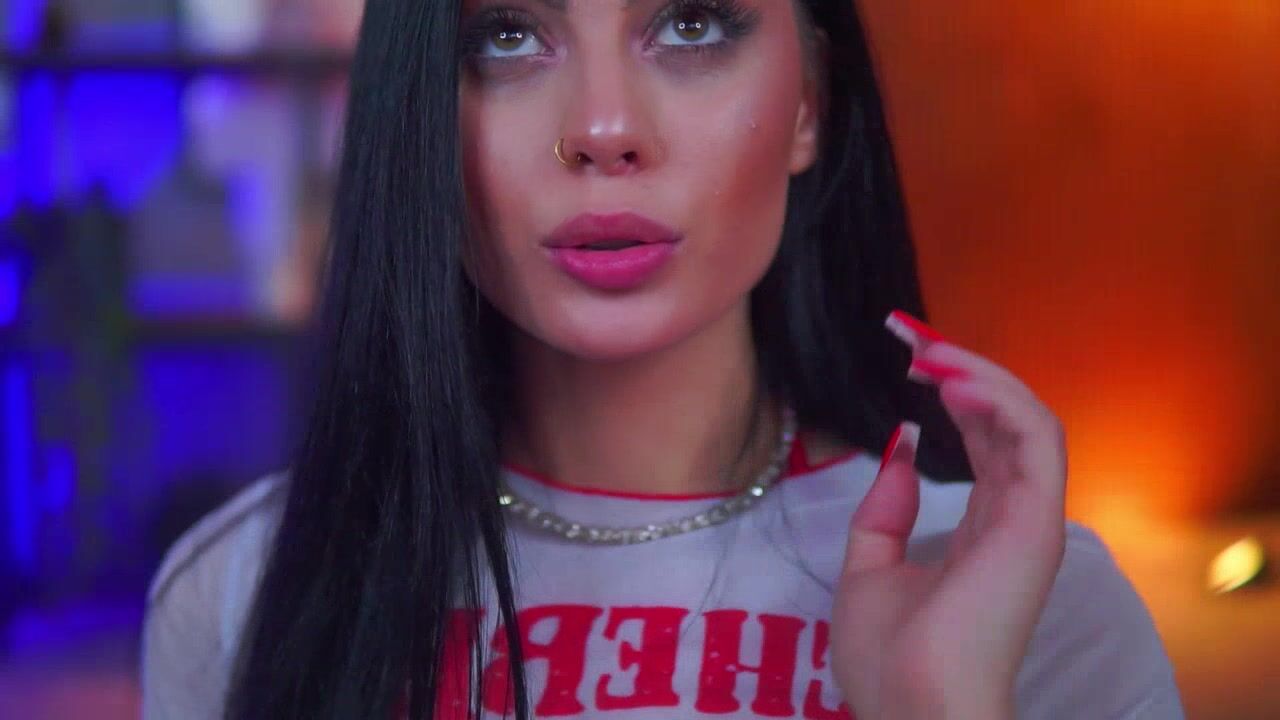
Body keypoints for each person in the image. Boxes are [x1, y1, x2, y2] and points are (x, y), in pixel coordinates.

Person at [140, 1, 1185, 718]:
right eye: (506, 35)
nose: (604, 130)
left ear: (811, 104)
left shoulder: (1018, 597)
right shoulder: (247, 589)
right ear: (413, 105)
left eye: (690, 23)